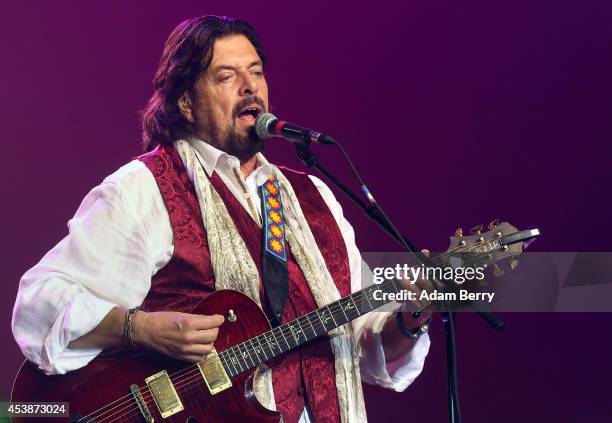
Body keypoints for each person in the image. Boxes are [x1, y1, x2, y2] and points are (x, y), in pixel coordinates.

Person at [12, 15, 432, 423]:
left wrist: (410, 321)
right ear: (186, 102)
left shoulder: (313, 197)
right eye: (226, 77)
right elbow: (40, 303)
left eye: (256, 72)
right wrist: (140, 328)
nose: (250, 87)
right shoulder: (144, 187)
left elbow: (365, 342)